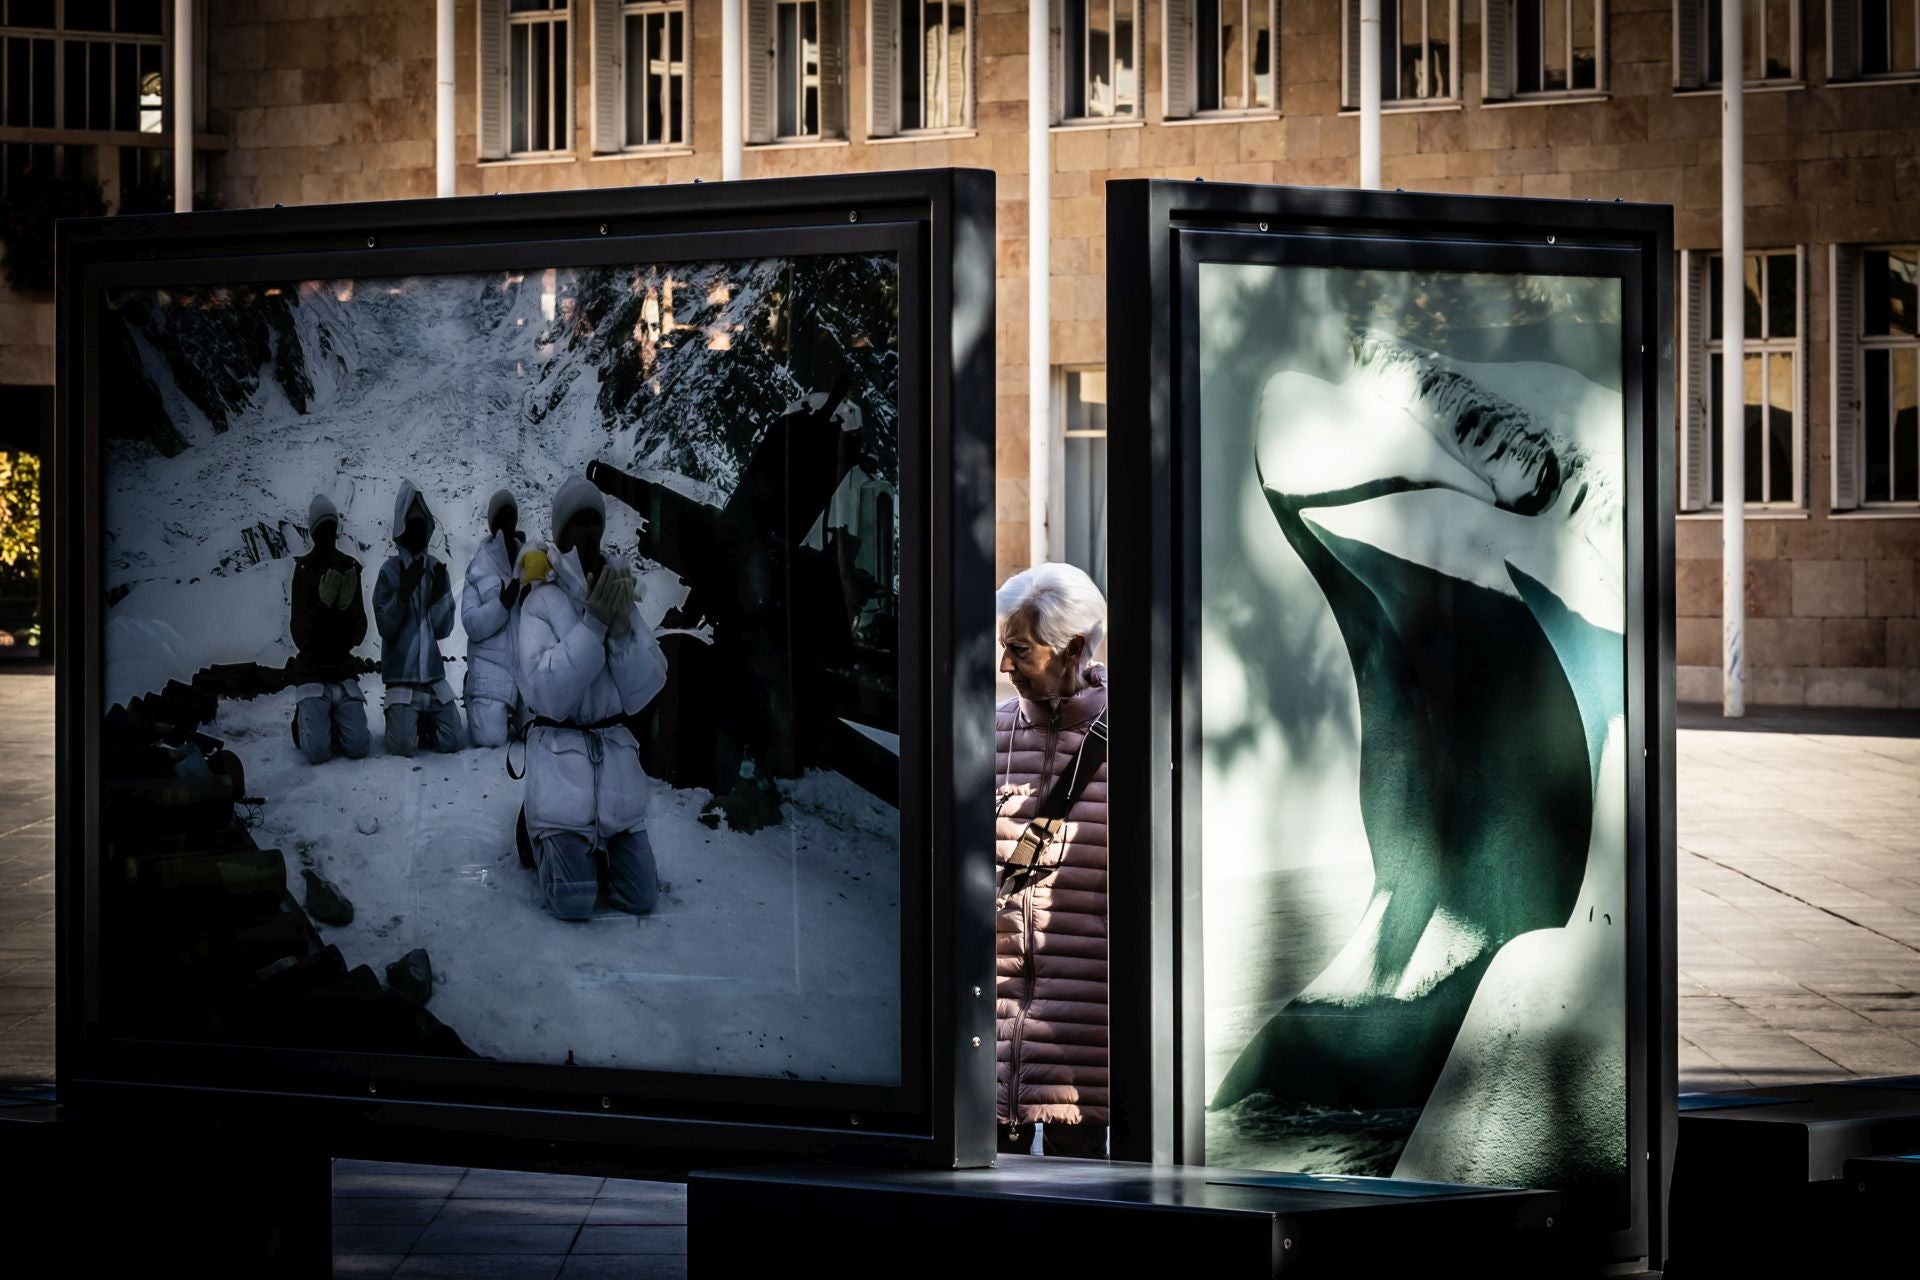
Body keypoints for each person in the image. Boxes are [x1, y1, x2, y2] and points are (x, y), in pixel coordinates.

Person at [994, 562, 1110, 1159]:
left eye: (1019, 650)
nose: (1005, 665)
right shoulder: (983, 740)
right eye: (1003, 648)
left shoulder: (1135, 742)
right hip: (986, 1054)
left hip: (1082, 1052)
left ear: (1073, 650)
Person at [515, 474, 669, 921]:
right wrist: (593, 627)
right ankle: (536, 830)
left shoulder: (617, 591)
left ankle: (595, 843)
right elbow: (547, 695)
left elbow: (644, 690)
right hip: (561, 767)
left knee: (642, 897)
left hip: (615, 774)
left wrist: (621, 630)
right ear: (560, 534)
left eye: (594, 521)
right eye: (577, 522)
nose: (588, 533)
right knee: (573, 901)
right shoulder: (539, 601)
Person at [373, 479, 465, 756]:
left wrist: (438, 597)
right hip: (400, 677)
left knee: (454, 741)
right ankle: (400, 716)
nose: (417, 530)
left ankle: (422, 719)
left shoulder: (437, 570)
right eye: (411, 524)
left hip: (432, 677)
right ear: (401, 527)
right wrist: (402, 595)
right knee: (402, 746)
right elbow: (385, 628)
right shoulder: (389, 571)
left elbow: (443, 629)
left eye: (420, 524)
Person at [288, 494, 371, 764]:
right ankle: (307, 718)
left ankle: (330, 718)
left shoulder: (349, 568)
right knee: (316, 752)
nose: (327, 536)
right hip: (312, 671)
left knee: (359, 746)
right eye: (322, 530)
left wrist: (347, 607)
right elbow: (300, 636)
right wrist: (321, 607)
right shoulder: (303, 570)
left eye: (331, 529)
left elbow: (359, 634)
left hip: (343, 670)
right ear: (313, 533)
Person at [461, 488, 527, 748]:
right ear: (492, 524)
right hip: (491, 669)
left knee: (536, 734)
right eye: (503, 517)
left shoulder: (530, 561)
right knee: (491, 738)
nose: (509, 523)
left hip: (525, 671)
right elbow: (471, 624)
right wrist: (502, 605)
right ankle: (473, 691)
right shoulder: (478, 567)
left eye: (512, 516)